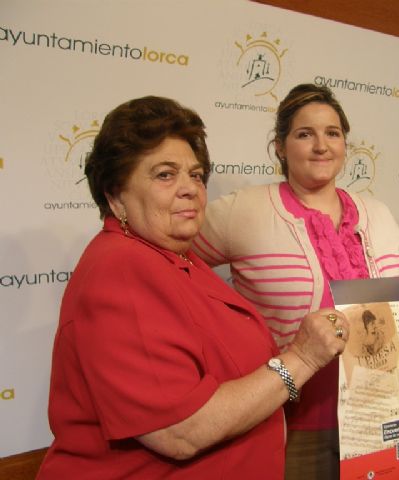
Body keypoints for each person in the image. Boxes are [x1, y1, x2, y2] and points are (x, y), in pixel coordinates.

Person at [37, 96, 350, 479]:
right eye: (165, 175)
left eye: (196, 175)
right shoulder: (121, 268)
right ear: (116, 195)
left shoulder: (176, 257)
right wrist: (302, 358)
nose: (190, 189)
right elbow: (182, 430)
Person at [192, 83, 399, 479]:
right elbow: (170, 263)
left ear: (344, 144)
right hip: (290, 425)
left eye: (332, 133)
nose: (321, 146)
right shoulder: (244, 212)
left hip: (384, 420)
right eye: (305, 134)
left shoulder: (379, 214)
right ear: (280, 147)